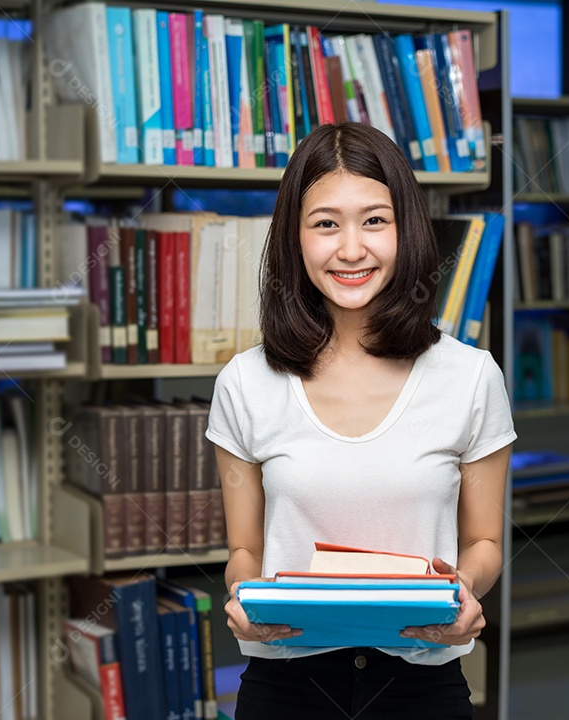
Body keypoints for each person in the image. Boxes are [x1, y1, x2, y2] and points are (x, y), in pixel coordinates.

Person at [205, 121, 516, 720]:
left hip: (422, 683)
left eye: (374, 220)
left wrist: (465, 590)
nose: (351, 249)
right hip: (286, 685)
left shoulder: (472, 377)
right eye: (326, 223)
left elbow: (484, 542)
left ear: (408, 230)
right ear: (294, 238)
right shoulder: (245, 383)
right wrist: (243, 594)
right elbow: (244, 548)